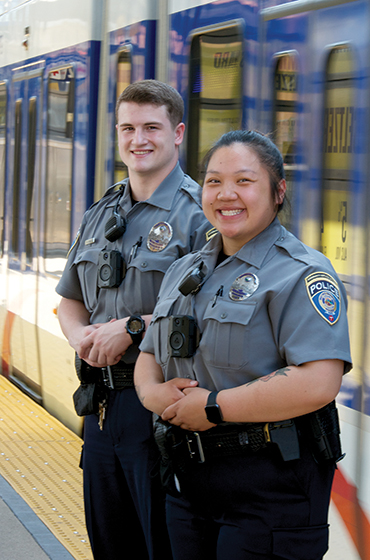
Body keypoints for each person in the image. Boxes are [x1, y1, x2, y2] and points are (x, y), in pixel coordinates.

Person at [134, 129, 352, 560]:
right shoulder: (184, 270)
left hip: (270, 488)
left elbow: (318, 383)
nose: (225, 194)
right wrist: (152, 393)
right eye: (213, 181)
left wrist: (213, 407)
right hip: (189, 481)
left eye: (244, 181)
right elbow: (149, 354)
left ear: (278, 192)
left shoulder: (301, 273)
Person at [56, 79, 214, 560]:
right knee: (109, 543)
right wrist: (83, 336)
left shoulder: (200, 214)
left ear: (178, 133)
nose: (138, 139)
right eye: (128, 127)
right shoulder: (100, 212)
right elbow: (69, 299)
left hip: (160, 410)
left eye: (152, 127)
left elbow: (211, 312)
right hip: (100, 407)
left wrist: (132, 327)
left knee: (161, 545)